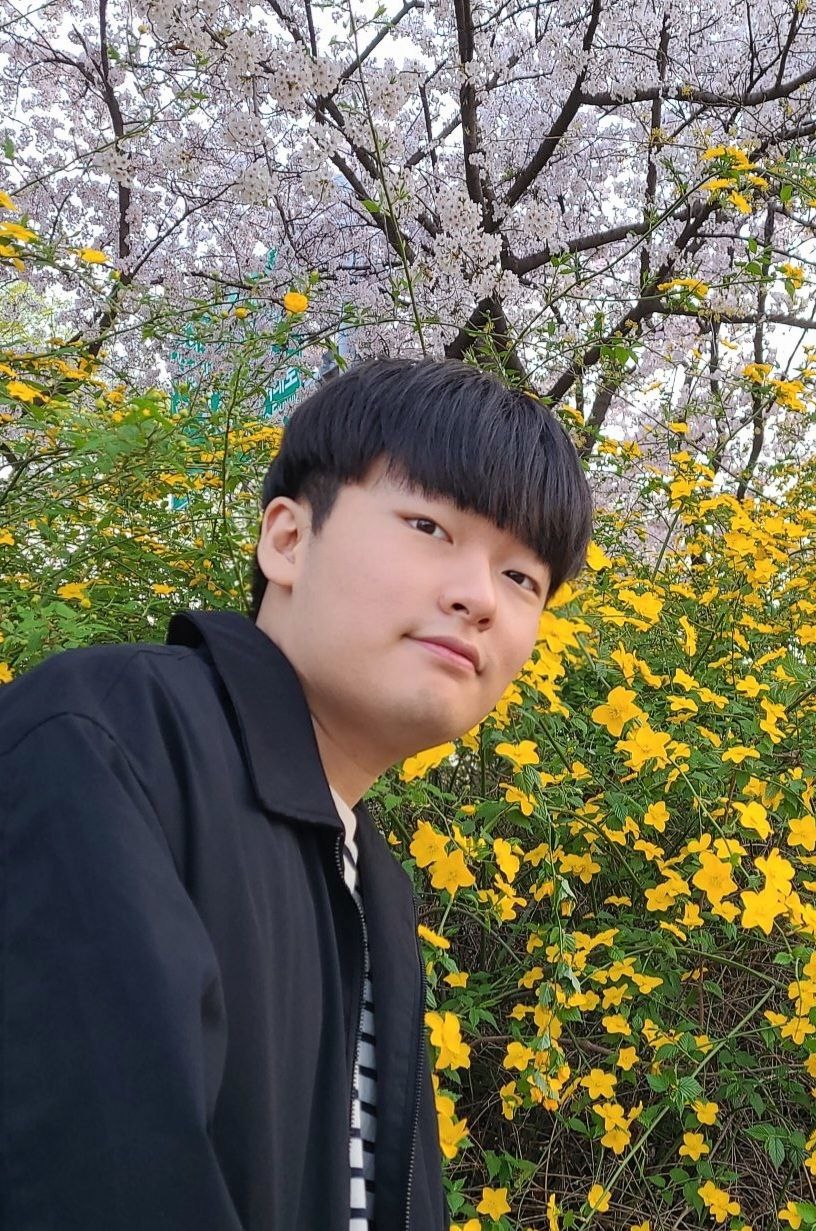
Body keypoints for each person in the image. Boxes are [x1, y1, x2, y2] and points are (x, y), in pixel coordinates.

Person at [0, 356, 593, 1231]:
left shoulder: (373, 883)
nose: (479, 599)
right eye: (429, 525)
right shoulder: (105, 740)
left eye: (522, 579)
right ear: (287, 540)